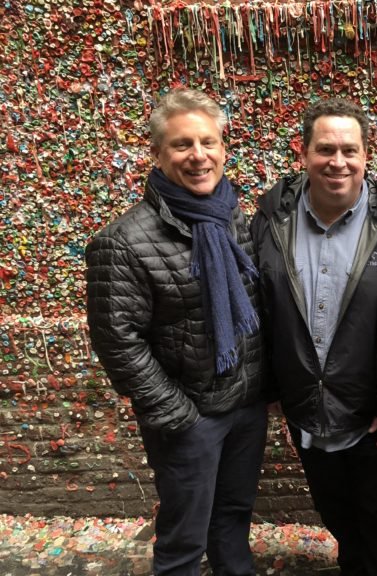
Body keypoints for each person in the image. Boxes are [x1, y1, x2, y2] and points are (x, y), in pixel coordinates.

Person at [86, 88, 268, 576]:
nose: (198, 156)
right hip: (191, 418)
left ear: (224, 149)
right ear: (158, 154)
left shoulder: (233, 216)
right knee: (184, 539)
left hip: (245, 408)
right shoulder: (122, 242)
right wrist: (179, 415)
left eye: (208, 142)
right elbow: (117, 340)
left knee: (232, 524)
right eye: (182, 144)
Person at [250, 97, 377, 576]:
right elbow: (261, 309)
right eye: (325, 149)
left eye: (350, 149)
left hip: (375, 418)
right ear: (303, 153)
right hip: (307, 411)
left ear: (368, 155)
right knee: (339, 520)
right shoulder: (271, 222)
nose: (338, 161)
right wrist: (272, 388)